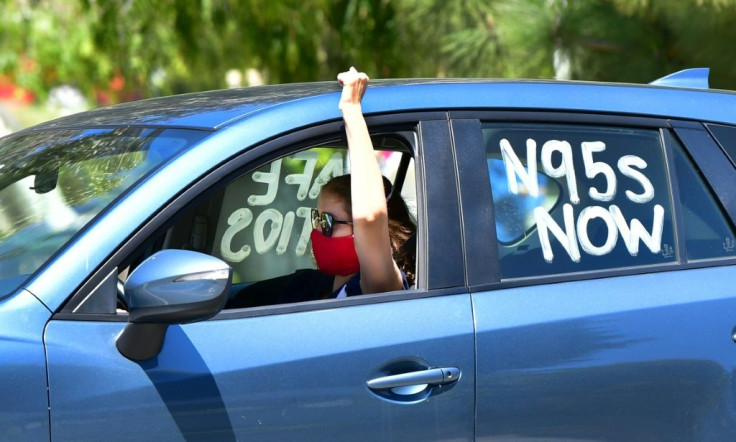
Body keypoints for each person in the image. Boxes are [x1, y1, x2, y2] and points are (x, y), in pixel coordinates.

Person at [227, 68, 415, 308]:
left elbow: (370, 216)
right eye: (316, 218)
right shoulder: (309, 285)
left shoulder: (379, 286)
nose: (316, 231)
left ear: (362, 232)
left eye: (326, 221)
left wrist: (352, 110)